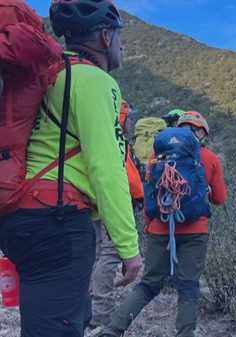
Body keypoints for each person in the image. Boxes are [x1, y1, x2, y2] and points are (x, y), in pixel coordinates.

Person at [0, 0, 142, 336]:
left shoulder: (50, 74)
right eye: (119, 35)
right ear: (106, 37)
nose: (121, 44)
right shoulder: (93, 79)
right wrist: (129, 247)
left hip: (20, 217)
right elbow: (106, 166)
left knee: (67, 320)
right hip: (58, 221)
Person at [101, 111, 227, 337]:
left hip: (160, 229)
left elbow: (150, 194)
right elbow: (220, 198)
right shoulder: (210, 158)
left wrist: (149, 227)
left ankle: (113, 329)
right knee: (188, 288)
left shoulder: (155, 158)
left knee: (148, 285)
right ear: (202, 133)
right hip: (195, 232)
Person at [89, 100, 144, 328]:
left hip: (93, 204)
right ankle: (101, 312)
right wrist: (139, 197)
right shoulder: (118, 144)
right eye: (128, 117)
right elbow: (130, 180)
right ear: (121, 120)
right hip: (110, 205)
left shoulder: (97, 139)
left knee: (99, 252)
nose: (130, 122)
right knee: (110, 255)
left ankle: (92, 301)